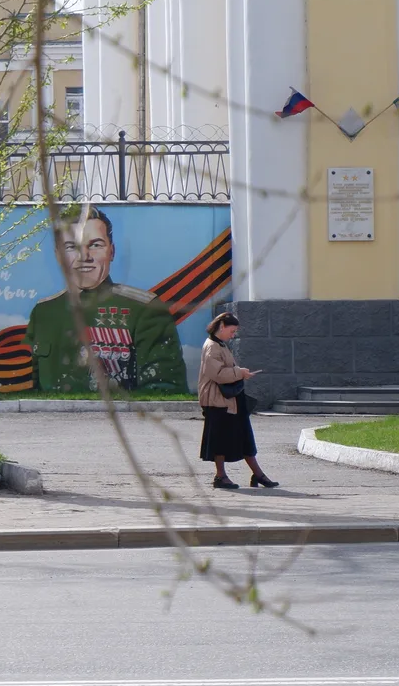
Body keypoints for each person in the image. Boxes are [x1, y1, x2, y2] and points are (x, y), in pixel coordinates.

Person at [24, 207, 188, 393]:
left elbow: (165, 391)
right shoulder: (44, 311)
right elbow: (32, 385)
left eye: (95, 245)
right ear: (58, 256)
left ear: (112, 252)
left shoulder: (145, 309)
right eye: (71, 247)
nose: (84, 257)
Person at [198, 314, 276, 490]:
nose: (233, 335)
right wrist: (240, 372)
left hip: (228, 400)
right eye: (232, 331)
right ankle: (221, 476)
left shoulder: (219, 344)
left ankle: (257, 474)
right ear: (222, 326)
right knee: (221, 440)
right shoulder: (212, 346)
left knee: (243, 436)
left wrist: (239, 373)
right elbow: (216, 374)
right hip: (218, 401)